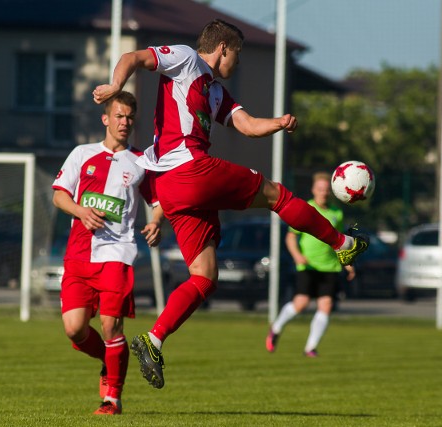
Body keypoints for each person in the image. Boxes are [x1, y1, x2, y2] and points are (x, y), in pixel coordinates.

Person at [92, 19, 369, 389]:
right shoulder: (187, 59)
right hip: (188, 170)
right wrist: (115, 85)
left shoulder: (215, 92)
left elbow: (249, 125)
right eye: (236, 54)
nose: (237, 63)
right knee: (277, 195)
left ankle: (154, 340)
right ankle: (343, 245)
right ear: (223, 47)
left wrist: (279, 122)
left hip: (174, 190)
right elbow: (134, 56)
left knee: (205, 277)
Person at [52, 91, 164, 415]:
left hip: (118, 253)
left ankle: (111, 399)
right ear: (106, 119)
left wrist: (156, 223)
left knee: (111, 326)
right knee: (74, 329)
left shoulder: (141, 161)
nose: (124, 122)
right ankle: (109, 357)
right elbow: (59, 195)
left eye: (130, 117)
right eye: (119, 116)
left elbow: (158, 205)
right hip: (79, 255)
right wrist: (80, 211)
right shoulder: (81, 154)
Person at [266, 172, 356, 357]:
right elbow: (291, 237)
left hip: (329, 266)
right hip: (308, 265)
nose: (323, 192)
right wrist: (297, 256)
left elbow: (338, 241)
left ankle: (310, 348)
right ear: (313, 190)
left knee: (326, 304)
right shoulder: (306, 208)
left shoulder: (336, 213)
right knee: (301, 303)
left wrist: (348, 263)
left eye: (326, 189)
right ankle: (276, 328)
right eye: (320, 189)